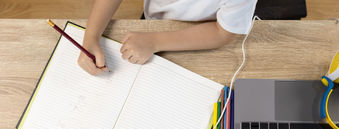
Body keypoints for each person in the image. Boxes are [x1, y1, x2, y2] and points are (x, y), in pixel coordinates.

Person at [78, 0, 258, 75]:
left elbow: (223, 32)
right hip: (156, 20)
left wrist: (155, 41)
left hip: (203, 33)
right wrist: (91, 37)